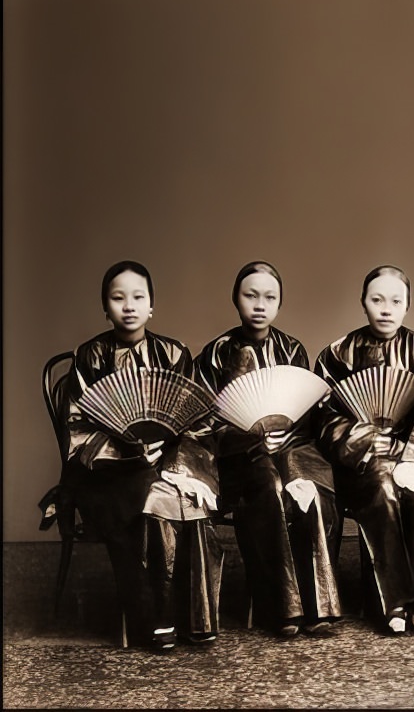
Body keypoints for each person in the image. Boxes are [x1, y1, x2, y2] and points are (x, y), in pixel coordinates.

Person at [57, 260, 223, 650]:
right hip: (109, 474)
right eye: (118, 298)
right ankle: (156, 618)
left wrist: (175, 466)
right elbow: (79, 428)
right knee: (153, 497)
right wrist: (134, 453)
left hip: (167, 466)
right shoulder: (90, 356)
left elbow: (195, 420)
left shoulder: (173, 353)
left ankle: (196, 618)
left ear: (152, 307)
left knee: (183, 496)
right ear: (105, 307)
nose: (128, 306)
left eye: (138, 297)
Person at [194, 260, 341, 637]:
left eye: (269, 297)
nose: (260, 304)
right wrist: (252, 439)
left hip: (290, 450)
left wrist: (284, 440)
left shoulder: (292, 349)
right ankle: (282, 607)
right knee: (268, 485)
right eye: (251, 295)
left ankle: (320, 606)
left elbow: (305, 415)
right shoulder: (214, 355)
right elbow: (204, 424)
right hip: (239, 460)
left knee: (311, 491)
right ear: (235, 299)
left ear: (279, 303)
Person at [314, 265, 414, 634]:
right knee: (383, 487)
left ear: (408, 306)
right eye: (377, 300)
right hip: (360, 462)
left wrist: (410, 455)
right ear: (363, 303)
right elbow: (325, 418)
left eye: (396, 301)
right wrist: (366, 441)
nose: (386, 309)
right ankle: (393, 602)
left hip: (413, 455)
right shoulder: (336, 354)